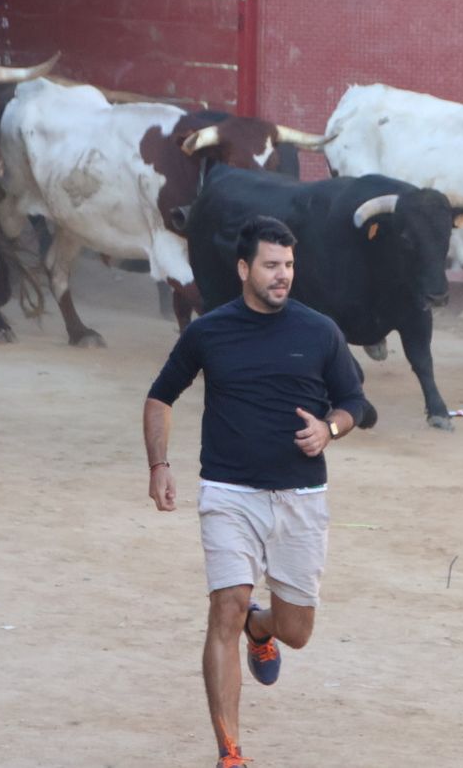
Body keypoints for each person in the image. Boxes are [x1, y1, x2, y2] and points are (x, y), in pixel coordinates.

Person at [142, 216, 373, 768]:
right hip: (228, 492)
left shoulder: (319, 331)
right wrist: (159, 464)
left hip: (300, 498)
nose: (283, 276)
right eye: (272, 265)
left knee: (296, 632)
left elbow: (355, 403)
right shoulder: (209, 331)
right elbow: (160, 396)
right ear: (244, 269)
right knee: (226, 605)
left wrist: (329, 429)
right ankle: (230, 754)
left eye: (289, 265)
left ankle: (261, 626)